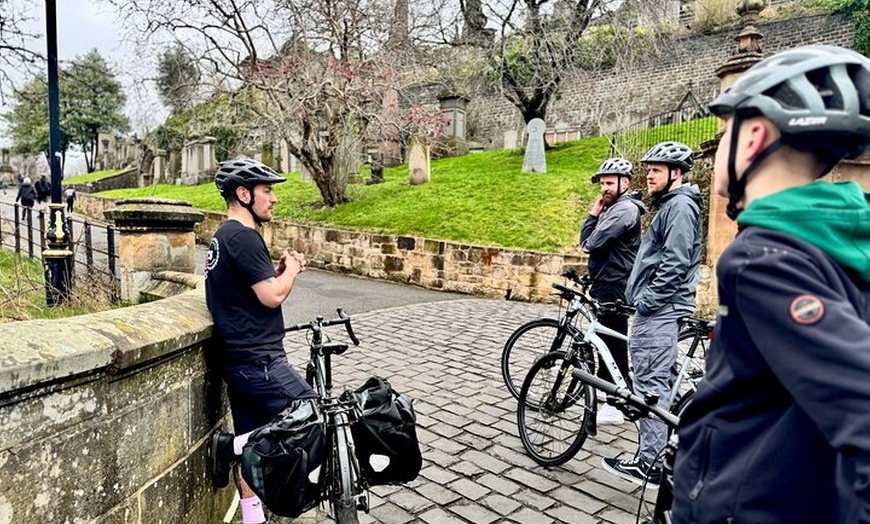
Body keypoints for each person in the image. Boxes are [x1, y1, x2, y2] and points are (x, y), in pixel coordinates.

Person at [672, 45, 870, 523]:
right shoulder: (837, 243)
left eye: (722, 135)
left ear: (753, 137)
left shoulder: (762, 258)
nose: (717, 149)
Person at [204, 158, 316, 524]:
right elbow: (271, 297)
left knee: (250, 455)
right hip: (258, 361)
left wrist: (281, 271)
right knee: (312, 415)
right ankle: (229, 446)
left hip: (238, 360)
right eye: (267, 191)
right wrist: (294, 271)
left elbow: (253, 291)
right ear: (243, 193)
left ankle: (255, 519)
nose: (274, 198)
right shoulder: (244, 236)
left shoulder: (224, 236)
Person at [601, 141, 703, 488]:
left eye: (656, 170)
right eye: (648, 169)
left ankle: (650, 464)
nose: (649, 176)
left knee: (649, 385)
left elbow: (675, 262)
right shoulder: (672, 206)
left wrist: (647, 301)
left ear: (676, 173)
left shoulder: (679, 208)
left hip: (659, 310)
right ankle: (668, 453)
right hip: (658, 307)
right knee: (660, 383)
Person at [580, 157, 646, 425]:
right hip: (606, 281)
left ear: (625, 183)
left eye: (609, 183)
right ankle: (610, 394)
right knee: (606, 341)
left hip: (614, 284)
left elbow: (590, 243)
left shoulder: (624, 210)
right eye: (602, 183)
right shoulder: (616, 208)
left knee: (614, 343)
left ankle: (617, 404)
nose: (604, 188)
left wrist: (592, 216)